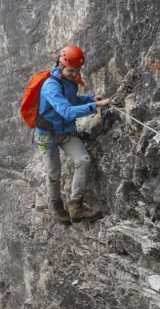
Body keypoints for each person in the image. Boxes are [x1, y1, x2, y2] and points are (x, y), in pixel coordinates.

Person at [34, 45, 112, 225]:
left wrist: (91, 98)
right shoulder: (50, 86)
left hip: (64, 133)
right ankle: (56, 206)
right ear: (61, 65)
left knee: (83, 160)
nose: (74, 73)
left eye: (77, 70)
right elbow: (67, 111)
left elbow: (73, 100)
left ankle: (75, 206)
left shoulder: (69, 81)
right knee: (54, 173)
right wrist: (97, 106)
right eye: (71, 70)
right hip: (46, 136)